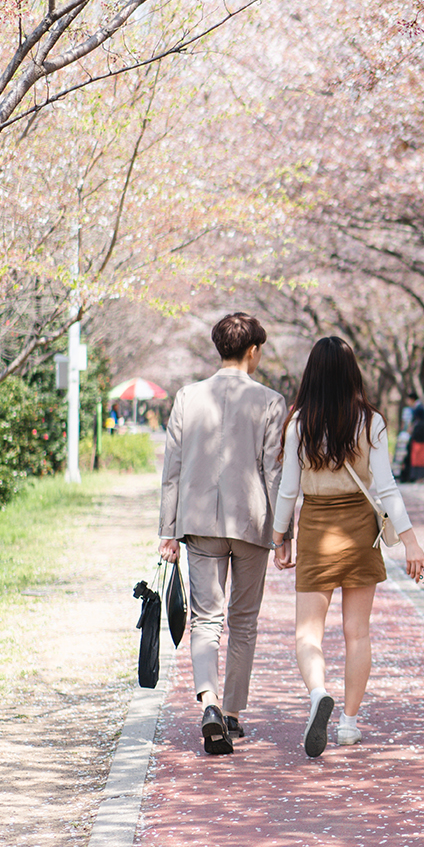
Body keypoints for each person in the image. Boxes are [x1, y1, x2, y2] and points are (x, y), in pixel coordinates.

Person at [271, 337, 424, 757]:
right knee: (357, 633)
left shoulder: (298, 422)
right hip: (360, 532)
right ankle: (348, 724)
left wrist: (279, 538)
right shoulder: (370, 420)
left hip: (317, 530)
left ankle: (318, 693)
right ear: (351, 372)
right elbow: (387, 488)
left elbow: (288, 490)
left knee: (308, 633)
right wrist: (412, 543)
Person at [158, 312, 287, 756]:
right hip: (252, 523)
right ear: (253, 351)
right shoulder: (271, 401)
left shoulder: (187, 396)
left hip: (198, 522)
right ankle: (232, 713)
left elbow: (172, 468)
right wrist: (283, 531)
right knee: (243, 621)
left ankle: (208, 702)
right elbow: (274, 472)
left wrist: (167, 531)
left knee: (206, 620)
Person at [406, 394, 424, 483]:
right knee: (418, 457)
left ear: (412, 399)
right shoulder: (419, 408)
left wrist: (412, 430)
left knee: (418, 457)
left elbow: (418, 423)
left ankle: (418, 477)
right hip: (420, 436)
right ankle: (418, 476)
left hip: (419, 437)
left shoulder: (419, 409)